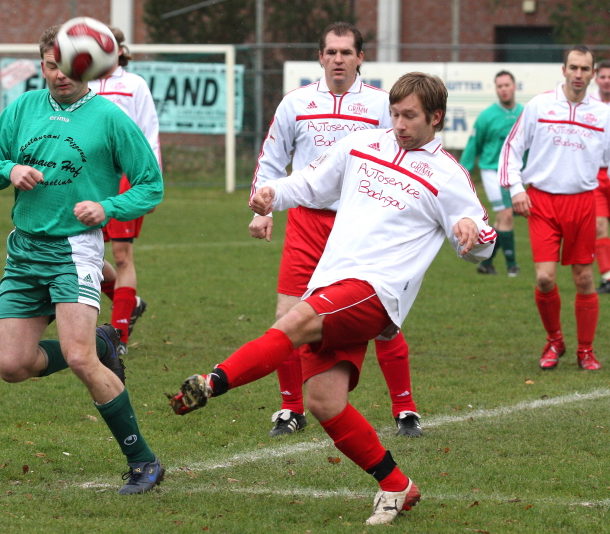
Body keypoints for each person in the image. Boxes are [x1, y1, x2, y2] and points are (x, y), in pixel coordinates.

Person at [169, 72, 496, 525]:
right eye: (395, 114)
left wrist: (471, 230)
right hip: (334, 283)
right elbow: (310, 182)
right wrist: (272, 193)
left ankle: (213, 381)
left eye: (410, 116)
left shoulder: (449, 175)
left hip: (377, 291)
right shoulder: (363, 145)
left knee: (293, 322)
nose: (400, 124)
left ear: (435, 118)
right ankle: (396, 484)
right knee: (324, 401)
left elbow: (483, 241)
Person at [0, 24, 165, 495]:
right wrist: (9, 169)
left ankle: (143, 461)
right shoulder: (22, 108)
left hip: (75, 250)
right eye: (51, 65)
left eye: (69, 66)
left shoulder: (110, 117)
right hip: (24, 250)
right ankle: (103, 342)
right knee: (12, 365)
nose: (60, 74)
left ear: (88, 66)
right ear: (42, 65)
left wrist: (108, 207)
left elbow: (151, 184)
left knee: (78, 358)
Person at [249, 22, 422, 438]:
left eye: (346, 52)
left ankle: (405, 409)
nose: (338, 59)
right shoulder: (296, 103)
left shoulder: (381, 105)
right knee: (287, 315)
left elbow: (402, 158)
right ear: (320, 57)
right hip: (306, 221)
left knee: (383, 319)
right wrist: (263, 207)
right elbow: (271, 159)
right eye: (331, 52)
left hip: (361, 225)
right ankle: (291, 409)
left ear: (361, 57)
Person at [499, 45, 610, 371]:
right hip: (542, 202)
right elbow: (512, 148)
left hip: (582, 202)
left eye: (585, 69)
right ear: (563, 70)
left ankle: (585, 350)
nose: (578, 74)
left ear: (592, 74)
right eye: (573, 67)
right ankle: (555, 340)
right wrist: (516, 188)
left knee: (584, 279)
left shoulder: (604, 115)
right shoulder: (540, 105)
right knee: (545, 278)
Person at [88, 26, 159, 355]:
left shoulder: (134, 85)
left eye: (108, 46)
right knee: (87, 253)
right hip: (88, 178)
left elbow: (149, 132)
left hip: (126, 178)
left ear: (118, 50)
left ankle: (118, 336)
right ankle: (129, 303)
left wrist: (151, 182)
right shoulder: (82, 84)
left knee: (120, 255)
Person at [460, 70, 523, 277]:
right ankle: (512, 266)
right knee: (506, 215)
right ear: (496, 89)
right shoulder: (487, 116)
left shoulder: (524, 114)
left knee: (502, 221)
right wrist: (463, 172)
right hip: (491, 172)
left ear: (514, 87)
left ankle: (486, 264)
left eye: (507, 85)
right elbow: (473, 145)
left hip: (513, 173)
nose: (503, 89)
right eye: (499, 86)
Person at [591, 60, 610, 293]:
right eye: (603, 77)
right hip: (595, 174)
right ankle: (607, 276)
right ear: (596, 79)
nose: (607, 81)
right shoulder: (589, 105)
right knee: (599, 225)